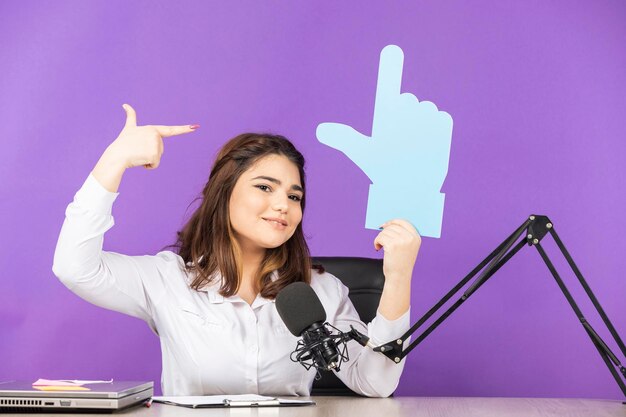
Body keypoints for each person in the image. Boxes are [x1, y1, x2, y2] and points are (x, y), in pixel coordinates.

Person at [52, 104, 422, 397]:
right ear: (224, 193)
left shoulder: (320, 290)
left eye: (294, 196)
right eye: (265, 187)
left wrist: (399, 277)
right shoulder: (168, 279)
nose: (283, 205)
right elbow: (75, 268)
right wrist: (114, 161)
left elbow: (376, 382)